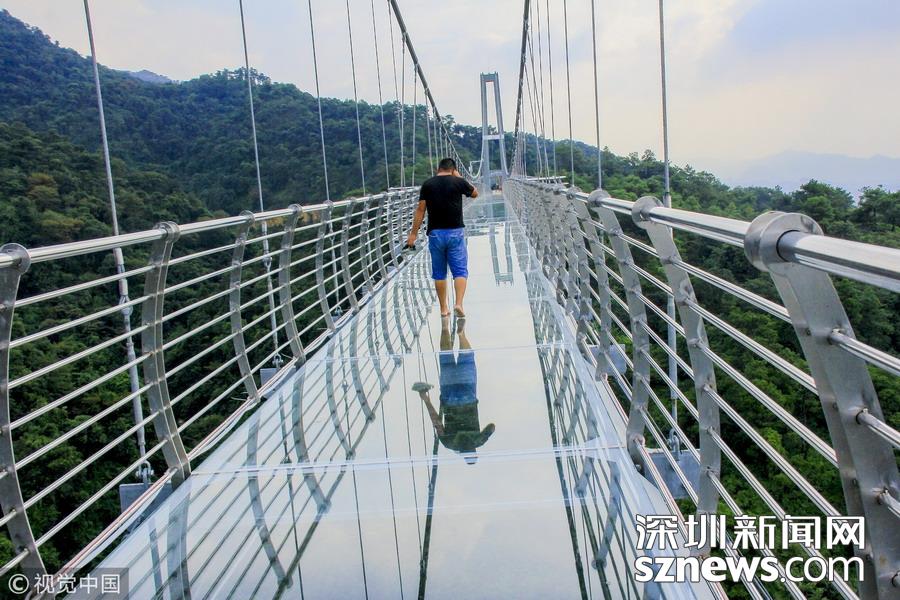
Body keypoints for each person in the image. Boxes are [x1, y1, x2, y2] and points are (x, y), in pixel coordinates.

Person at [412, 318, 495, 464]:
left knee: (467, 358)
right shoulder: (449, 443)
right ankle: (444, 326)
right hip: (449, 398)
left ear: (474, 452)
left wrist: (483, 437)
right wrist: (426, 399)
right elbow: (437, 422)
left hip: (468, 397)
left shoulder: (478, 440)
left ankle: (461, 335)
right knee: (446, 357)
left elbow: (492, 427)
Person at [407, 157, 478, 317]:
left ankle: (443, 309)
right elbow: (475, 193)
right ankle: (458, 304)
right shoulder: (458, 182)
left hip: (436, 234)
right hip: (455, 232)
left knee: (439, 273)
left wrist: (413, 234)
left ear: (438, 169)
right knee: (460, 271)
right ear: (453, 170)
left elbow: (420, 210)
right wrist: (459, 177)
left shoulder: (428, 184)